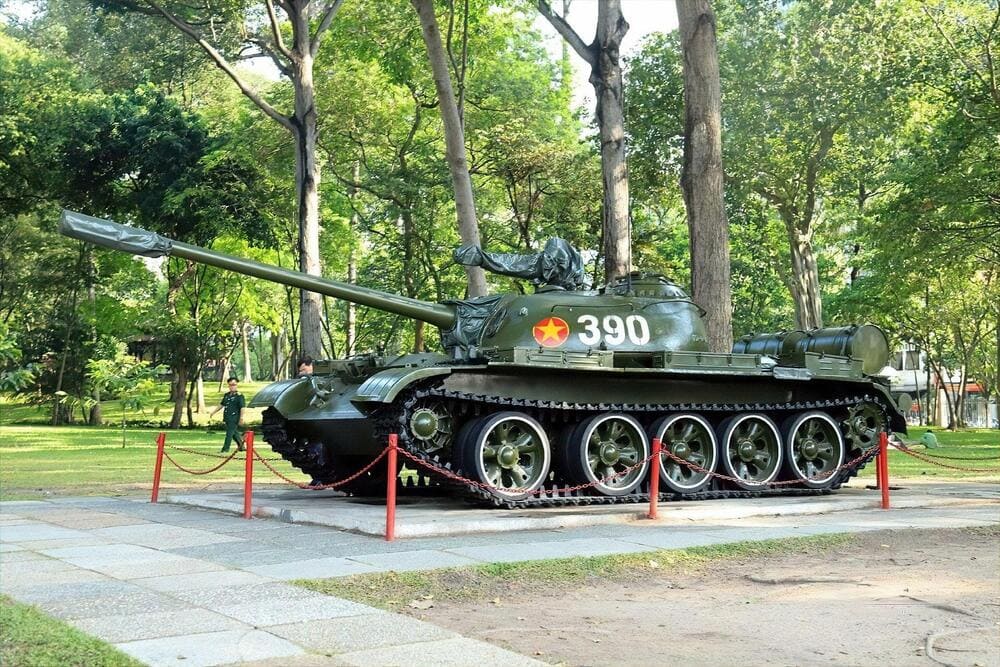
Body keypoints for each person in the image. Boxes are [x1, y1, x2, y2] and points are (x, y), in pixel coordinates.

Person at [210, 377, 245, 453]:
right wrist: (213, 412)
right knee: (234, 433)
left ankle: (225, 449)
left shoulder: (239, 396)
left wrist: (241, 418)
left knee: (229, 434)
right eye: (231, 385)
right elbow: (222, 404)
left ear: (236, 385)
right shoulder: (227, 395)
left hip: (234, 418)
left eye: (234, 384)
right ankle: (242, 446)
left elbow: (242, 407)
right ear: (228, 386)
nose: (232, 386)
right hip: (227, 417)